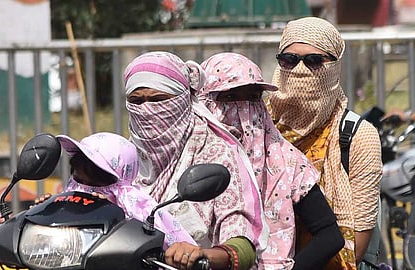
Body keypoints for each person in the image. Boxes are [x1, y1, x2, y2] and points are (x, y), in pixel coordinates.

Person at [124, 51, 269, 270]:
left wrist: (202, 255)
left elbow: (243, 242)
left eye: (158, 100)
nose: (147, 110)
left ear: (183, 100)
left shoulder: (217, 153)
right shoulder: (124, 158)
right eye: (136, 101)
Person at [198, 52, 344, 270]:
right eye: (230, 98)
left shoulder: (285, 159)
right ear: (204, 100)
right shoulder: (190, 156)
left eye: (253, 96)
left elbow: (330, 235)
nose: (244, 110)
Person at [267, 17, 383, 269]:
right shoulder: (262, 128)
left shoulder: (358, 137)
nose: (299, 70)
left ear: (334, 66)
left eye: (313, 61)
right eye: (289, 60)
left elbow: (357, 245)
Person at [0, 132, 195, 250]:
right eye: (78, 177)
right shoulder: (62, 203)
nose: (84, 189)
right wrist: (7, 232)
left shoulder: (139, 209)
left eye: (95, 181)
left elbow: (169, 243)